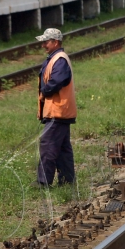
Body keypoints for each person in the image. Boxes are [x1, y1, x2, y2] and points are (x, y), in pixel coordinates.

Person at [34, 29, 77, 189]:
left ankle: (43, 182)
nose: (43, 45)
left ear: (56, 42)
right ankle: (67, 181)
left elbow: (56, 81)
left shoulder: (59, 60)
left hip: (57, 112)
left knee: (48, 146)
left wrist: (44, 91)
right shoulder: (56, 58)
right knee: (63, 149)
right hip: (60, 112)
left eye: (46, 41)